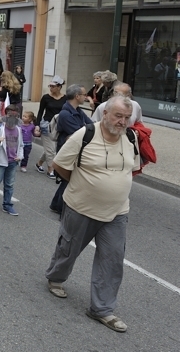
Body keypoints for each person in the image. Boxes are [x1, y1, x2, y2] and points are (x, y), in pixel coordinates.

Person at [44, 96, 137, 333]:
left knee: (113, 260)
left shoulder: (130, 137)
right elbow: (60, 165)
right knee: (69, 248)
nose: (122, 122)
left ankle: (102, 309)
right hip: (81, 207)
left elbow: (130, 168)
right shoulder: (84, 135)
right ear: (105, 114)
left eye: (126, 117)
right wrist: (84, 186)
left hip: (117, 212)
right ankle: (55, 277)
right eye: (118, 116)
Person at [49, 84, 94, 214]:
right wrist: (84, 129)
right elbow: (81, 133)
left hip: (74, 149)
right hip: (68, 151)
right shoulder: (65, 114)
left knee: (68, 179)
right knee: (69, 179)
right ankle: (60, 206)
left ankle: (56, 204)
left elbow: (90, 125)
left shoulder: (78, 111)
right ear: (77, 96)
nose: (86, 97)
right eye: (84, 95)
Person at [35, 76, 67, 178]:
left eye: (53, 86)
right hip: (46, 125)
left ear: (59, 87)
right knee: (51, 150)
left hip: (59, 126)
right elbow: (40, 112)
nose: (51, 88)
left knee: (51, 149)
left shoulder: (65, 98)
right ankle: (50, 169)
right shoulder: (46, 97)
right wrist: (37, 125)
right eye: (50, 86)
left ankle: (39, 163)